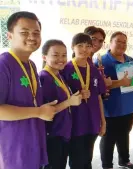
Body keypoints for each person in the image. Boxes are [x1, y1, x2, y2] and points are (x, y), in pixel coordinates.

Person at [0, 11, 58, 169]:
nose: (32, 37)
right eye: (24, 32)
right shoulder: (3, 64)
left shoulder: (31, 65)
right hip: (13, 149)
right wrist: (38, 112)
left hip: (33, 141)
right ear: (10, 36)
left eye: (36, 32)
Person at [61, 33, 107, 169]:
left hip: (92, 121)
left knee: (87, 158)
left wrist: (103, 122)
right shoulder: (66, 69)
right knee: (76, 160)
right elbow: (61, 97)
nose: (84, 49)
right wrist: (77, 95)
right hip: (75, 122)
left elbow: (99, 97)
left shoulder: (94, 70)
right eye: (80, 45)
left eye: (88, 46)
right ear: (72, 47)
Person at [97, 31, 133, 169]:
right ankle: (107, 165)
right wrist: (120, 82)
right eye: (118, 42)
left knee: (124, 134)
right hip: (111, 108)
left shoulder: (131, 60)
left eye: (124, 42)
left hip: (130, 106)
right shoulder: (101, 62)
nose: (122, 45)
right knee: (108, 138)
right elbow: (98, 85)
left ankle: (124, 160)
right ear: (110, 43)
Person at [40, 39, 82, 169]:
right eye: (55, 55)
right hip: (52, 134)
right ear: (44, 57)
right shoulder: (44, 77)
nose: (61, 59)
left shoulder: (58, 75)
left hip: (62, 132)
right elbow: (46, 111)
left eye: (64, 55)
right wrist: (70, 102)